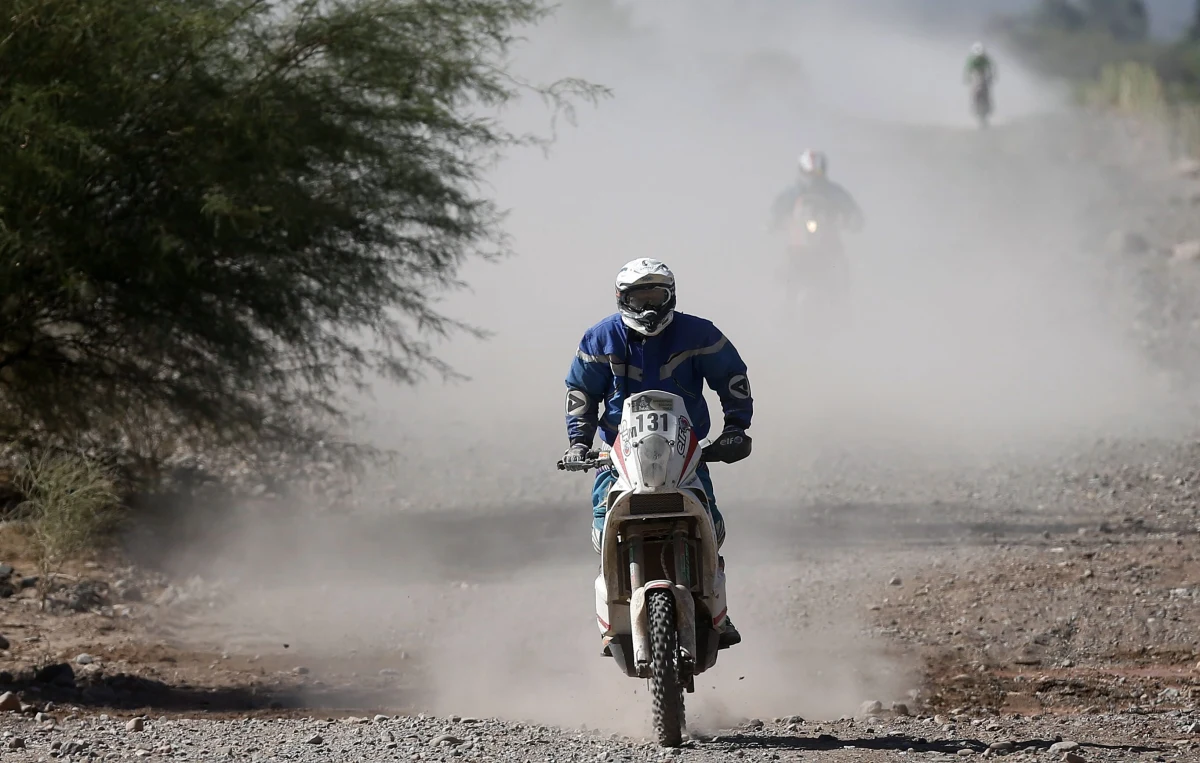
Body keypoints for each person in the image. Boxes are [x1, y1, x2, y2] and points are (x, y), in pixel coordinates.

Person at [562, 258, 753, 650]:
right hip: (617, 450)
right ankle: (612, 610)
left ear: (671, 297)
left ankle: (717, 606)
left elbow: (732, 378)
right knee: (602, 527)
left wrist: (736, 427)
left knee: (712, 524)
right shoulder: (600, 339)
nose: (649, 306)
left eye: (657, 296)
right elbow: (580, 395)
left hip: (685, 449)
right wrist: (579, 443)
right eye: (639, 297)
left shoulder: (699, 334)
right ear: (622, 299)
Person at [769, 149, 863, 235]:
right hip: (797, 242)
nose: (812, 178)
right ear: (802, 172)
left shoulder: (833, 192)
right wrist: (774, 222)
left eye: (817, 173)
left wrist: (852, 221)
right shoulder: (792, 194)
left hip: (829, 241)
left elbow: (851, 209)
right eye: (808, 173)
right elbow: (776, 211)